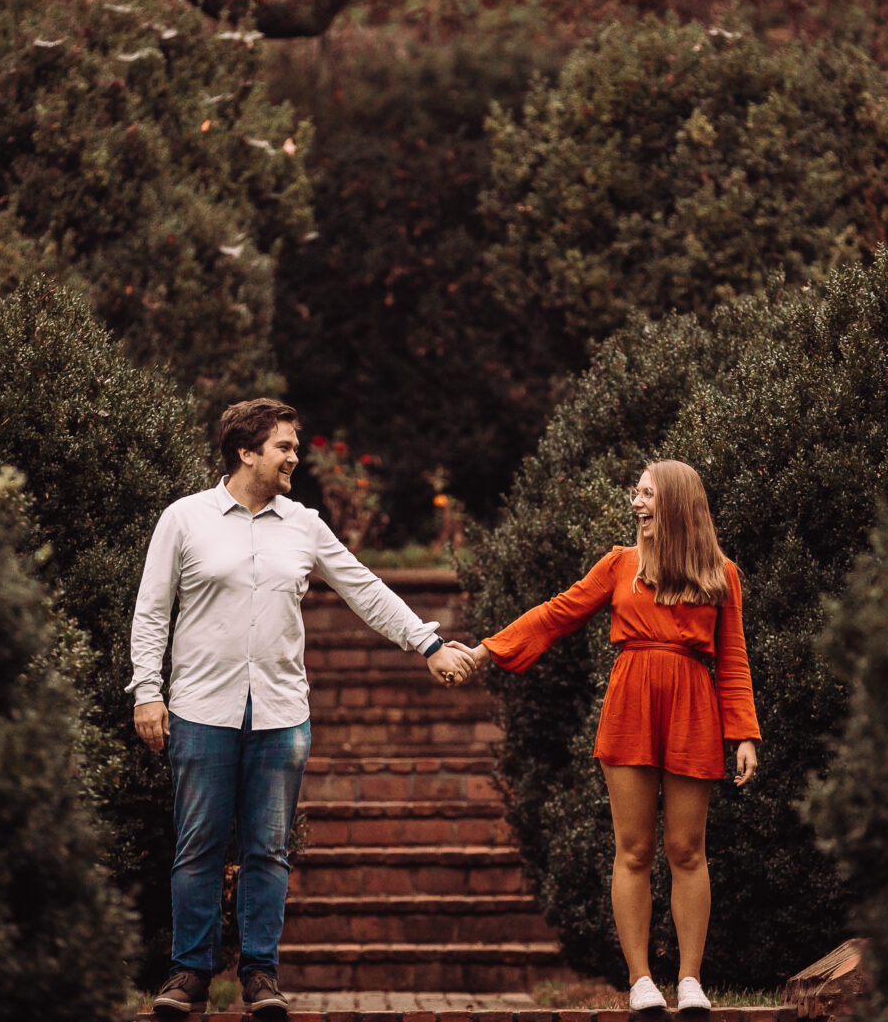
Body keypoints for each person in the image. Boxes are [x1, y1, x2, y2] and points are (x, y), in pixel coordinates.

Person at [129, 398, 480, 1020]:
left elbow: (364, 589)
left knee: (268, 848)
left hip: (281, 714)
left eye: (294, 446)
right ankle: (189, 975)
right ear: (246, 451)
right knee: (198, 848)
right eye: (284, 447)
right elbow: (153, 611)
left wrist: (426, 642)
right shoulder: (185, 520)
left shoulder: (304, 524)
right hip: (199, 709)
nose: (296, 457)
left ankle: (261, 976)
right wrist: (147, 691)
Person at [463, 460, 760, 1017]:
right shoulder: (620, 565)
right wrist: (485, 651)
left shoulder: (722, 573)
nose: (636, 503)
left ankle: (690, 981)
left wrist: (743, 731)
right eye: (636, 493)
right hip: (631, 706)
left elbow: (735, 657)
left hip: (693, 705)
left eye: (646, 494)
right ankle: (642, 980)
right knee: (635, 849)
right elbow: (556, 615)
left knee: (687, 850)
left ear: (674, 503)